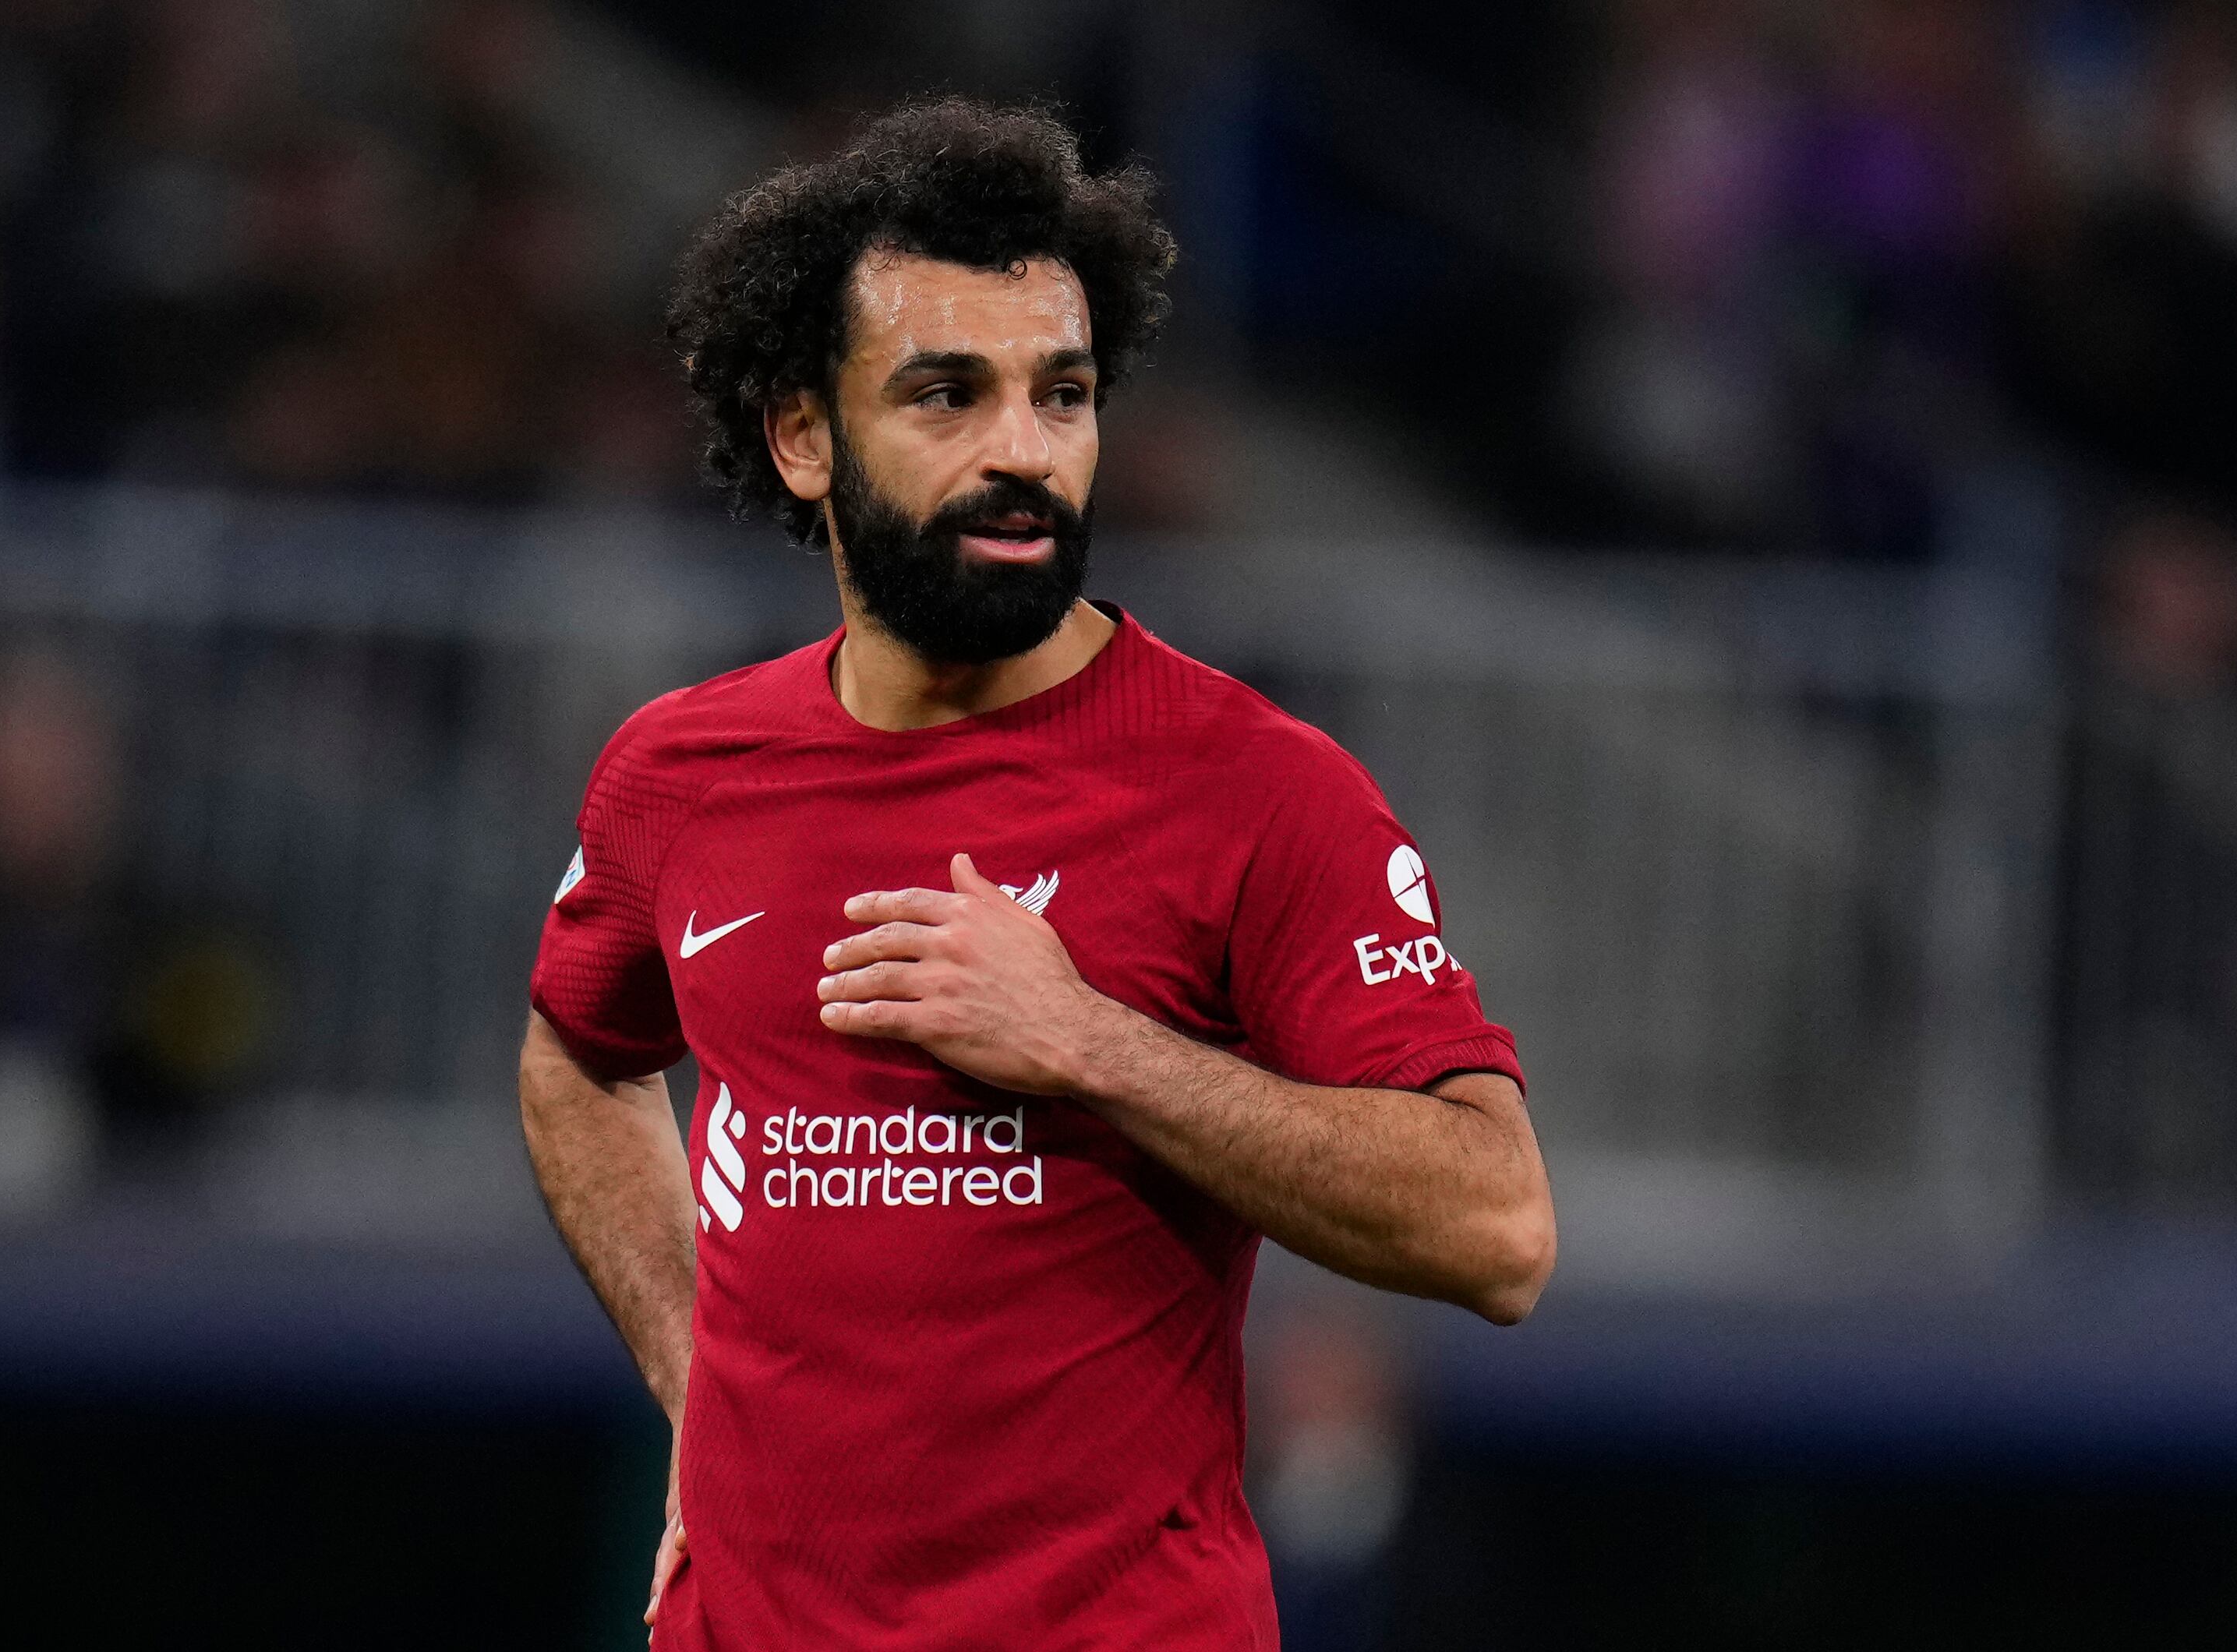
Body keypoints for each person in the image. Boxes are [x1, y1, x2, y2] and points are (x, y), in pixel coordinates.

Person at [520, 99, 1556, 1650]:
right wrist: (700, 1399)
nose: (1023, 449)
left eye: (1060, 394)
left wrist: (1094, 1045)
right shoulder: (677, 773)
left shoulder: (1258, 788)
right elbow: (574, 1061)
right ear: (804, 436)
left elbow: (1498, 1227)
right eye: (949, 393)